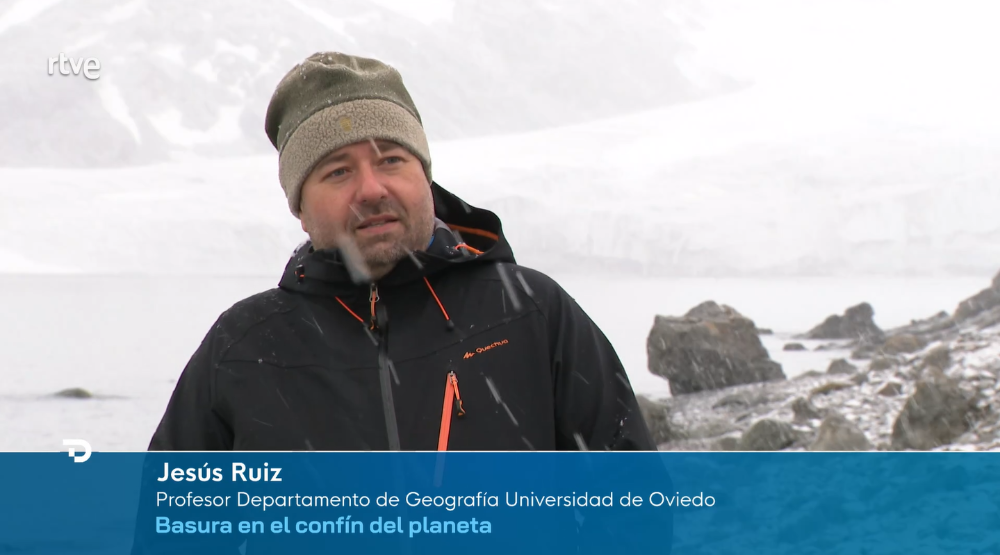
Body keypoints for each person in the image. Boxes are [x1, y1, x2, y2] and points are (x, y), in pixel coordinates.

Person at [146, 52, 655, 452]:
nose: (371, 189)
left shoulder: (530, 314)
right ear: (300, 207)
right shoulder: (241, 351)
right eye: (338, 171)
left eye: (390, 159)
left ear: (425, 179)